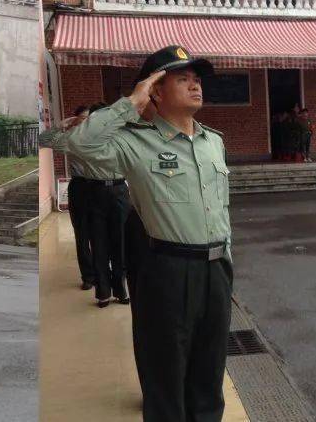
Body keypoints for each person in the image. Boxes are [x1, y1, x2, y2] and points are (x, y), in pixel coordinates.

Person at [40, 46, 232, 422]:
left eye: (197, 79)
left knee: (209, 378)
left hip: (216, 271)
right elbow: (79, 145)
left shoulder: (214, 142)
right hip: (167, 272)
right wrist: (132, 101)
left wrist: (227, 259)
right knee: (165, 378)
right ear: (156, 90)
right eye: (182, 79)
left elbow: (222, 208)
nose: (195, 86)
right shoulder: (134, 143)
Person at [82, 102, 131, 308]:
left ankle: (120, 289)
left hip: (119, 189)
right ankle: (103, 291)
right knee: (99, 242)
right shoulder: (85, 138)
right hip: (95, 191)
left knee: (120, 242)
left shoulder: (121, 135)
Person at [65, 105, 95, 290]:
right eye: (83, 118)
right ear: (75, 120)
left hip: (99, 187)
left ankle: (103, 273)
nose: (88, 122)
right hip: (79, 187)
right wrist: (64, 125)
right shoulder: (69, 139)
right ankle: (88, 277)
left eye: (90, 118)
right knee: (82, 235)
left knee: (101, 235)